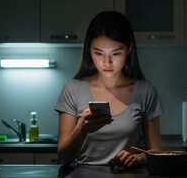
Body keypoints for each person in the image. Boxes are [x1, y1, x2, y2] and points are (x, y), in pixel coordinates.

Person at [54, 11, 163, 168]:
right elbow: (63, 158)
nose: (107, 62)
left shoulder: (145, 91)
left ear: (129, 49)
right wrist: (81, 129)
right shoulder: (72, 89)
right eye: (98, 53)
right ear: (89, 50)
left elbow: (157, 152)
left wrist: (138, 158)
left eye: (116, 53)